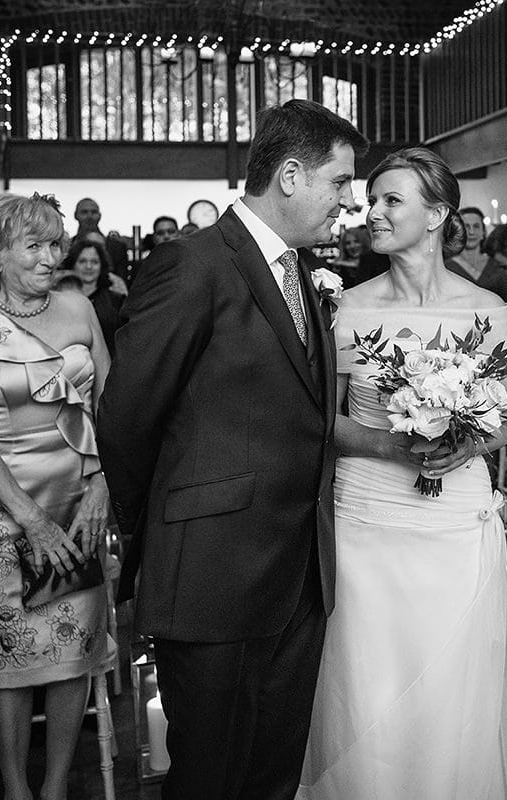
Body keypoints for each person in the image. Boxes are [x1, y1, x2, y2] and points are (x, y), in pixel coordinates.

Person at [97, 99, 367, 800]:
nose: (349, 200)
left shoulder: (302, 272)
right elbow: (126, 419)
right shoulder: (192, 265)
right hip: (212, 572)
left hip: (295, 575)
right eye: (339, 183)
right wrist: (157, 530)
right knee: (210, 775)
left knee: (273, 773)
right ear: (289, 175)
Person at [297, 146, 507, 800]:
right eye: (371, 200)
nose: (371, 212)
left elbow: (505, 420)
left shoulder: (486, 311)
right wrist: (387, 443)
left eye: (390, 200)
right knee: (368, 689)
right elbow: (320, 420)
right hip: (369, 520)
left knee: (454, 688)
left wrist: (465, 442)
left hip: (455, 522)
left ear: (436, 215)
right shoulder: (346, 308)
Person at [0, 192, 114, 800]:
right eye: (32, 246)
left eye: (54, 243)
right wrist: (29, 518)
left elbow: (111, 409)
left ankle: (58, 785)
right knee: (9, 657)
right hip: (4, 510)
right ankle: (15, 789)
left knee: (72, 647)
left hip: (79, 501)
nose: (50, 257)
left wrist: (101, 487)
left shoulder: (77, 308)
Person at [59, 238, 123, 355]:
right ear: (73, 264)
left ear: (101, 266)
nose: (89, 266)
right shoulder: (59, 300)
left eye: (94, 262)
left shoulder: (117, 301)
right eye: (82, 261)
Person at [72, 197, 130, 283]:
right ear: (76, 215)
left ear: (99, 216)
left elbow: (122, 281)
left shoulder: (117, 248)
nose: (89, 216)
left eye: (94, 212)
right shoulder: (67, 246)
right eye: (84, 212)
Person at [446, 205, 488, 279]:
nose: (471, 232)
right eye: (466, 226)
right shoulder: (447, 267)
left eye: (476, 226)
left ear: (483, 232)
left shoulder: (497, 264)